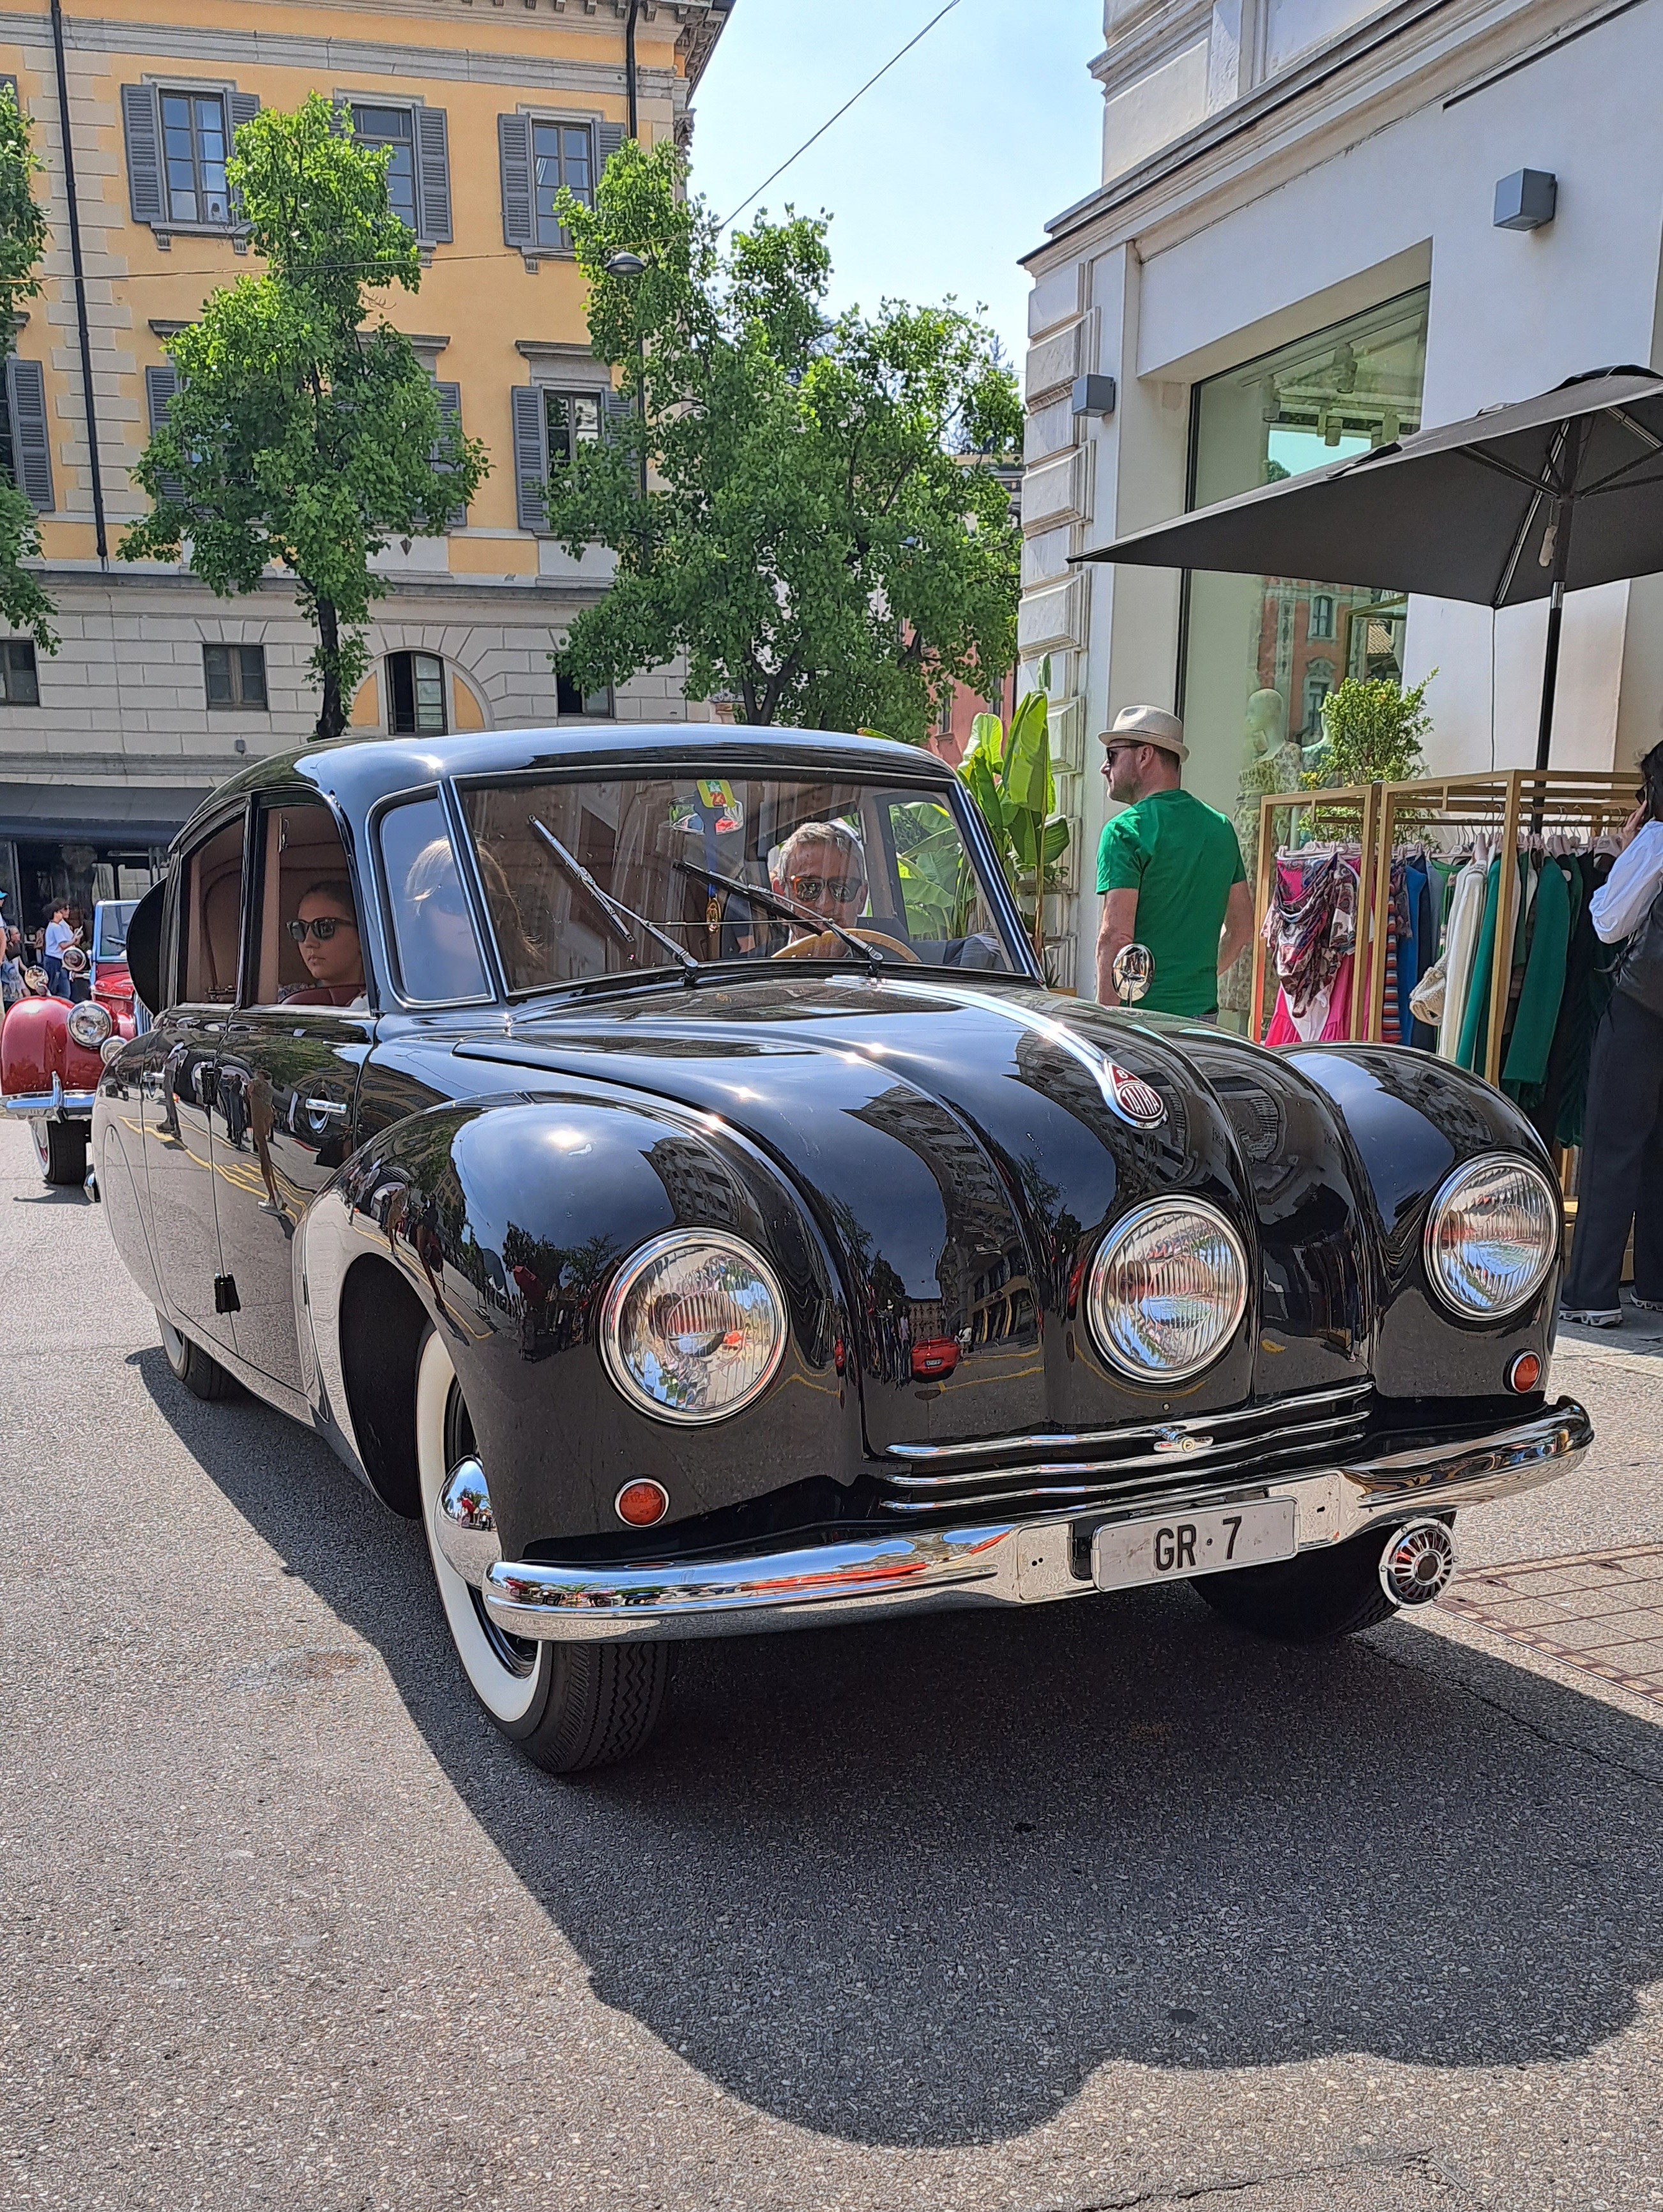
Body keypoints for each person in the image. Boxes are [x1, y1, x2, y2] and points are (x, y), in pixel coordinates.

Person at [1560, 738, 1663, 1328]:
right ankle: (1654, 1281)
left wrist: (1624, 853)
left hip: (1644, 1008)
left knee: (1612, 1146)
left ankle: (1592, 1292)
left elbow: (1608, 923)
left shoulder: (1655, 839)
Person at [1094, 705, 1252, 1017]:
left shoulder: (1126, 830)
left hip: (1142, 1019)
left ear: (1144, 755)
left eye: (1112, 755)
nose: (1104, 767)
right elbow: (1243, 928)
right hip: (1203, 1018)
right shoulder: (1219, 828)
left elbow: (1116, 936)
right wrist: (1196, 976)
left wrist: (1105, 1023)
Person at [771, 821, 868, 941]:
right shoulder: (758, 960)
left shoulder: (892, 958)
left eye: (841, 889)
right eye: (809, 888)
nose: (825, 905)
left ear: (861, 898)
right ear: (781, 897)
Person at [284, 880, 367, 1008]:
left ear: (362, 936)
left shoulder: (396, 1002)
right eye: (300, 929)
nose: (308, 942)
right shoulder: (284, 1001)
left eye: (324, 928)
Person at [42, 898, 78, 999]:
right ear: (54, 914)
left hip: (53, 959)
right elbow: (63, 945)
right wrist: (74, 940)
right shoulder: (56, 927)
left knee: (55, 987)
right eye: (58, 912)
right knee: (61, 990)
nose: (60, 914)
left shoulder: (52, 926)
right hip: (55, 960)